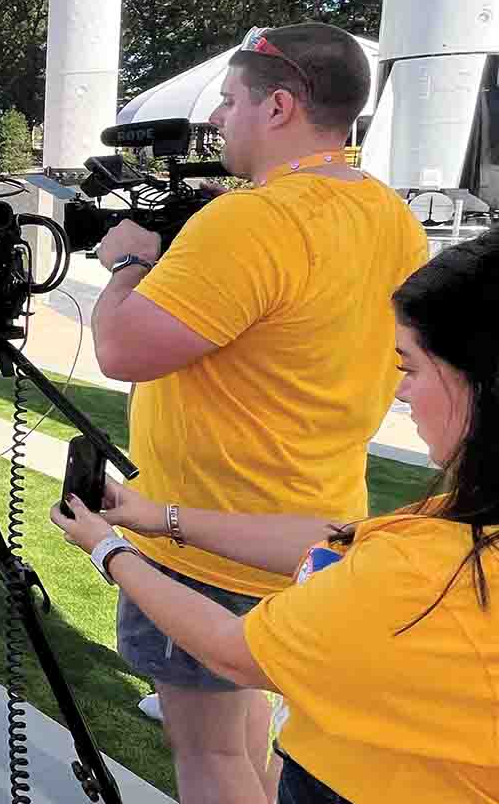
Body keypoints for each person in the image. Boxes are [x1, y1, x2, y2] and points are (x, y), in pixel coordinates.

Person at [89, 23, 428, 802]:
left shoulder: (252, 222)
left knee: (207, 760)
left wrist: (130, 263)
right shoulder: (389, 214)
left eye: (230, 100)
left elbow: (122, 351)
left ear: (277, 108)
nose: (216, 120)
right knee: (248, 734)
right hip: (307, 530)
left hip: (205, 537)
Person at [53, 229, 499, 803]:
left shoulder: (426, 575)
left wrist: (106, 549)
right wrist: (155, 516)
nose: (401, 394)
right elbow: (342, 541)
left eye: (410, 368)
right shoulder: (452, 532)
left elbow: (230, 649)